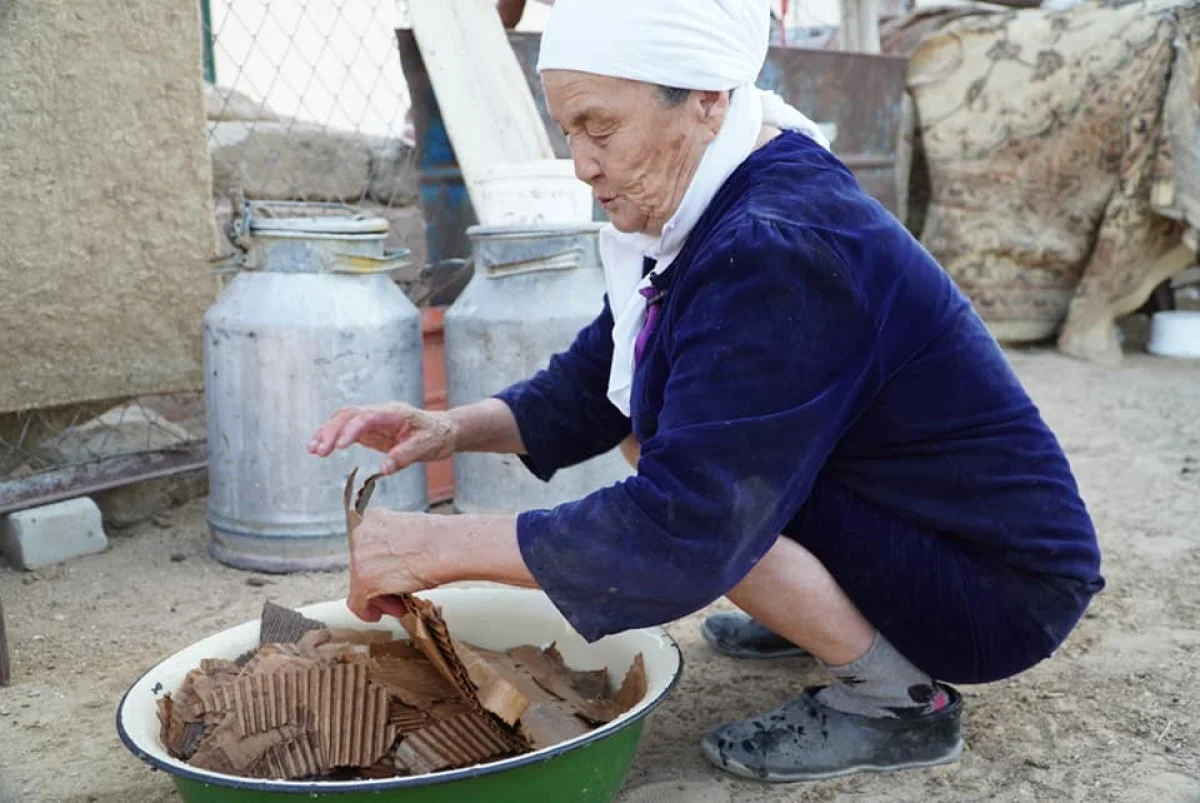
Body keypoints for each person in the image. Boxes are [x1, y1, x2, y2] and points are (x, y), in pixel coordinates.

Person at [310, 0, 1104, 783]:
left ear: (705, 99)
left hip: (994, 587)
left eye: (599, 127)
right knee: (662, 416)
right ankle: (833, 615)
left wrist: (429, 548)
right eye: (569, 132)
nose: (582, 164)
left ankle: (895, 701)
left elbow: (680, 527)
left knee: (691, 477)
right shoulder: (715, 196)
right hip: (928, 529)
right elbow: (600, 377)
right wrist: (450, 429)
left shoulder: (774, 242)